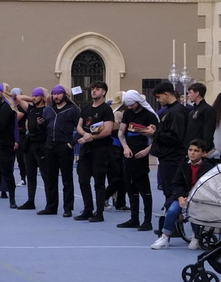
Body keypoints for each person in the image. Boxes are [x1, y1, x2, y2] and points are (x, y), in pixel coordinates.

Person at [152, 140, 215, 250]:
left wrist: (192, 198)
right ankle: (165, 237)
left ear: (203, 153)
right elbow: (176, 184)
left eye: (196, 151)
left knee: (193, 211)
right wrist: (180, 198)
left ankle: (196, 236)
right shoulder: (183, 165)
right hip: (183, 196)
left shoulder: (209, 168)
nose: (192, 153)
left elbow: (209, 187)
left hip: (199, 198)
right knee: (172, 210)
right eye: (190, 150)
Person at [74, 81, 115, 222]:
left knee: (99, 182)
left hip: (100, 149)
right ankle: (88, 209)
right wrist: (84, 135)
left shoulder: (106, 110)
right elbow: (79, 126)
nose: (93, 91)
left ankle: (99, 212)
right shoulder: (85, 109)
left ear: (103, 92)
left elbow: (108, 130)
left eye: (97, 89)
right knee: (83, 179)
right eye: (92, 89)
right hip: (86, 149)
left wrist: (91, 137)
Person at [117, 90, 157, 231]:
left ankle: (147, 220)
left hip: (141, 154)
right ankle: (134, 218)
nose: (129, 107)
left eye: (132, 105)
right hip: (128, 155)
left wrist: (147, 151)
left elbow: (156, 137)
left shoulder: (149, 116)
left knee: (144, 188)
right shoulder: (128, 114)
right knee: (130, 186)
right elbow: (121, 132)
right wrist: (125, 147)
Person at [38, 85, 80, 217]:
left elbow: (80, 128)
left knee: (67, 179)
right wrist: (41, 125)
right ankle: (51, 206)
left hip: (64, 147)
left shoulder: (73, 110)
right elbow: (44, 131)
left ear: (64, 95)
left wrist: (71, 143)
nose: (56, 96)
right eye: (54, 94)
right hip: (50, 146)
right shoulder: (48, 110)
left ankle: (68, 208)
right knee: (50, 179)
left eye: (59, 94)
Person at [150, 82, 188, 212]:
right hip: (167, 156)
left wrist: (154, 133)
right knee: (168, 191)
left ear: (166, 94)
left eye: (159, 97)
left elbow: (175, 137)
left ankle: (174, 225)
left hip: (173, 157)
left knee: (173, 191)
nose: (158, 100)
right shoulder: (170, 111)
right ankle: (171, 224)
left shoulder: (176, 112)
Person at [14, 88, 47, 210]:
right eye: (33, 95)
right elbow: (18, 98)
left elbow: (48, 98)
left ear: (42, 97)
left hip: (42, 144)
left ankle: (50, 203)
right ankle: (30, 201)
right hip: (30, 144)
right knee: (30, 174)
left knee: (45, 174)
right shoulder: (31, 109)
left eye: (36, 96)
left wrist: (42, 95)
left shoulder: (47, 109)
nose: (33, 98)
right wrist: (33, 98)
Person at [183, 82, 215, 155]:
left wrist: (205, 149)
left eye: (190, 93)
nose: (188, 95)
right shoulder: (192, 111)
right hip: (192, 148)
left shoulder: (207, 110)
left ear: (197, 93)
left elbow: (208, 131)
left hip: (201, 149)